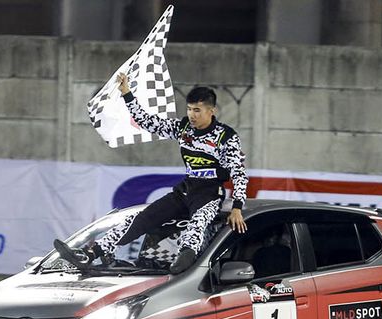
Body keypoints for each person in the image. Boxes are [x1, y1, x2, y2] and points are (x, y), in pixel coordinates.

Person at [56, 72, 248, 274]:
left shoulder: (227, 136)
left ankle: (186, 261)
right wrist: (127, 93)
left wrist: (237, 207)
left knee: (198, 223)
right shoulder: (183, 127)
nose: (192, 115)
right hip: (186, 188)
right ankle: (92, 254)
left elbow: (239, 173)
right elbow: (146, 122)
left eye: (197, 110)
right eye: (190, 109)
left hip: (210, 193)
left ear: (212, 111)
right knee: (140, 219)